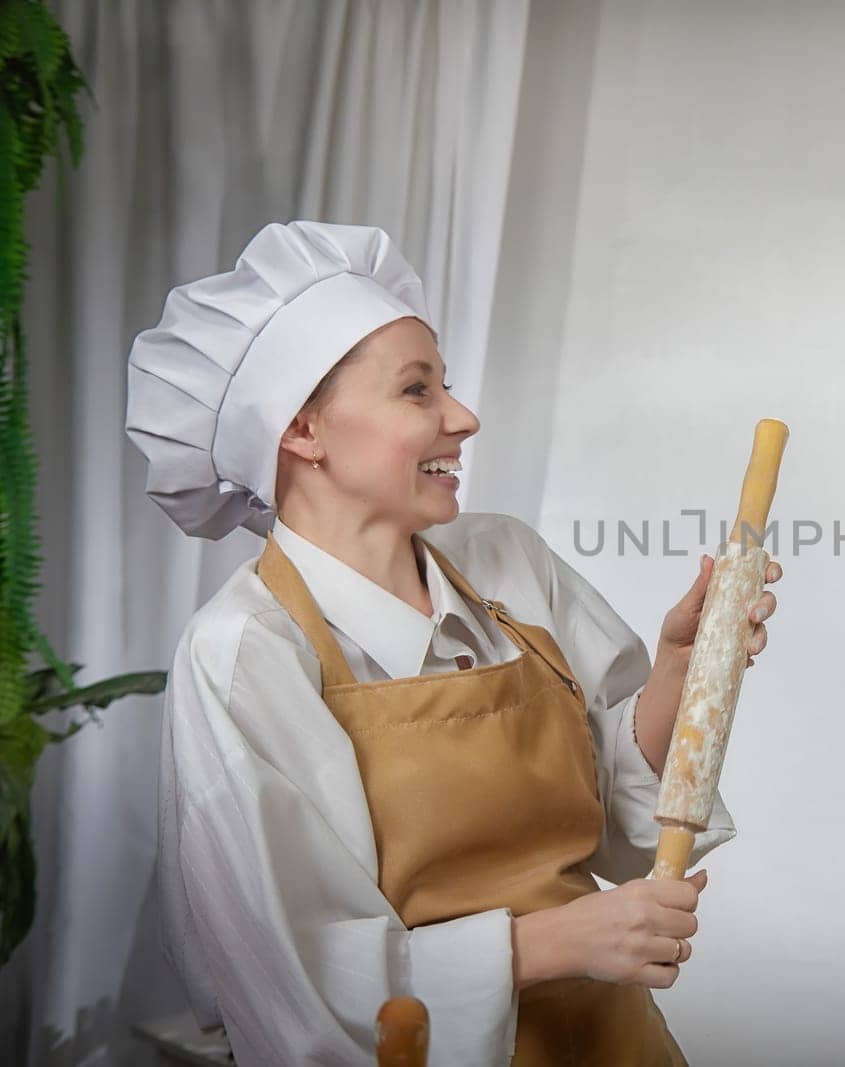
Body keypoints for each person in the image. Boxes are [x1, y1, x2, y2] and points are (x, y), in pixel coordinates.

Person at [125, 221, 781, 1066]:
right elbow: (292, 978)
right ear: (302, 430)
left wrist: (682, 673)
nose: (462, 417)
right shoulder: (245, 654)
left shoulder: (505, 559)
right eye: (417, 390)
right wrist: (552, 942)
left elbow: (623, 815)